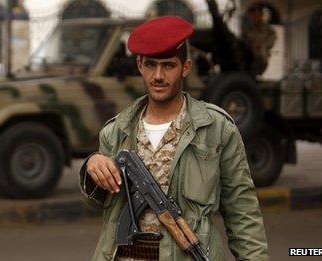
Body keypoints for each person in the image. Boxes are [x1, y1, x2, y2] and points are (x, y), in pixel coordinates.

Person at [79, 16, 269, 261]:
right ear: (139, 65)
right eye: (150, 65)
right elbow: (99, 207)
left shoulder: (216, 129)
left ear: (185, 67)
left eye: (168, 65)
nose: (158, 76)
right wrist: (93, 165)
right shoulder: (116, 132)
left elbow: (242, 212)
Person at [241, 4, 276, 75]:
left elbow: (271, 41)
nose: (254, 18)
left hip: (261, 58)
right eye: (252, 16)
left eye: (256, 15)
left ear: (261, 15)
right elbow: (243, 42)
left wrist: (262, 45)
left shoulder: (269, 30)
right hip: (247, 59)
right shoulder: (247, 29)